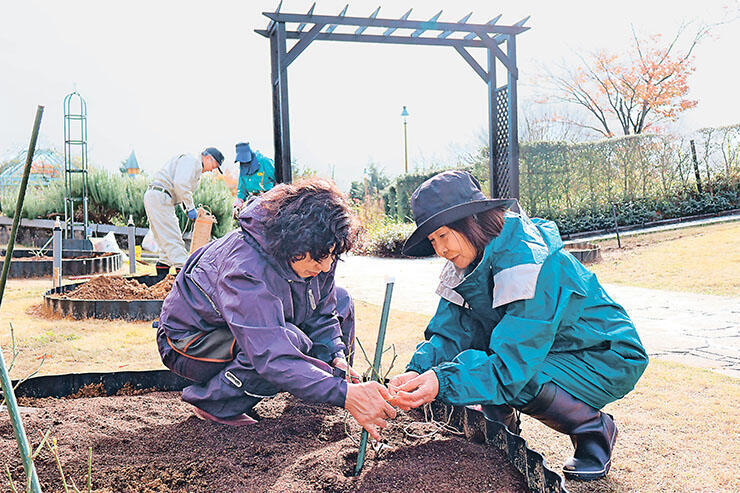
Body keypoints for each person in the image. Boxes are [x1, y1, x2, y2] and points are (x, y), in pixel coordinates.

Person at [388, 170, 648, 481]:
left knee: (511, 375)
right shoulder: (468, 262)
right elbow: (451, 331)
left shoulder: (530, 262)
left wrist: (442, 382)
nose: (440, 250)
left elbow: (512, 364)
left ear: (471, 223)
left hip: (604, 353)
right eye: (433, 241)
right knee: (485, 360)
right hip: (550, 349)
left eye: (443, 235)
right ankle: (500, 435)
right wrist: (419, 369)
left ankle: (594, 429)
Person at [156, 178, 396, 440]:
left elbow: (324, 312)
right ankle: (214, 403)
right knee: (288, 342)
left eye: (332, 256)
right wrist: (344, 394)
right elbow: (271, 354)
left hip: (248, 325)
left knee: (341, 301)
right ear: (296, 241)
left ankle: (318, 387)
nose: (327, 266)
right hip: (190, 341)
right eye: (321, 257)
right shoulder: (245, 267)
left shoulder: (320, 250)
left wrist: (335, 356)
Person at [144, 148, 224, 280]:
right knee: (174, 242)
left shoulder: (194, 167)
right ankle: (185, 282)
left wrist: (189, 209)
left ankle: (160, 281)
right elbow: (181, 185)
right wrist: (190, 208)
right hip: (161, 197)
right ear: (208, 158)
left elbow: (180, 190)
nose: (212, 170)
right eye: (214, 166)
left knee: (166, 246)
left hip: (160, 197)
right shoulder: (191, 161)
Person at [232, 142, 276, 217]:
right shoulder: (243, 169)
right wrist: (237, 205)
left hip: (270, 201)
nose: (244, 162)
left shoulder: (264, 162)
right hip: (254, 202)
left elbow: (278, 180)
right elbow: (242, 190)